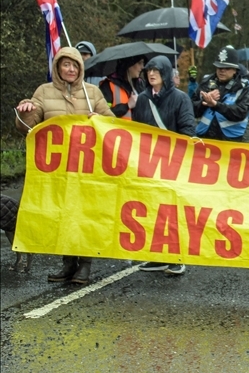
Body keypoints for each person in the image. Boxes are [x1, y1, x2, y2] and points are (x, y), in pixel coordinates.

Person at [15, 46, 114, 286]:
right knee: (63, 214)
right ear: (58, 67)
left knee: (86, 214)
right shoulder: (43, 91)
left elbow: (112, 125)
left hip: (88, 168)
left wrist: (99, 120)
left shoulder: (92, 93)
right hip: (58, 170)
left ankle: (86, 265)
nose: (70, 69)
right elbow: (27, 127)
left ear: (81, 68)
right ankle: (68, 263)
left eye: (75, 65)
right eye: (65, 64)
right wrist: (25, 112)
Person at [131, 55, 196, 275]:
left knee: (173, 211)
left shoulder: (180, 98)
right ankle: (158, 256)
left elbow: (188, 130)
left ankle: (177, 257)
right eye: (149, 70)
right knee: (153, 209)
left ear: (166, 74)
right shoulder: (142, 99)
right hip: (150, 164)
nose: (151, 74)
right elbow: (138, 131)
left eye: (156, 71)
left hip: (173, 163)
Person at [192, 48, 249, 142]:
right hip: (204, 137)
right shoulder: (206, 82)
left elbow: (241, 112)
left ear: (235, 70)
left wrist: (216, 105)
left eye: (227, 68)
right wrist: (204, 101)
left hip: (232, 140)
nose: (222, 71)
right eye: (219, 67)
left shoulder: (243, 86)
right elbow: (192, 109)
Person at [99, 56, 145, 120]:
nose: (142, 67)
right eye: (140, 63)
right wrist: (128, 105)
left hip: (139, 129)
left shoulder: (140, 83)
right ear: (130, 64)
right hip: (118, 129)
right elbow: (103, 114)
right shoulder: (108, 85)